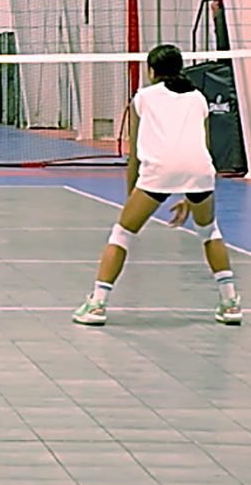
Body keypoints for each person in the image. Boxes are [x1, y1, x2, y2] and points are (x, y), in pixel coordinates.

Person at [74, 44, 240, 327]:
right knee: (209, 232)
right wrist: (191, 194)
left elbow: (136, 155)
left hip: (159, 172)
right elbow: (204, 145)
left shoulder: (143, 98)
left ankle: (97, 305)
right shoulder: (198, 97)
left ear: (152, 71)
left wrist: (132, 198)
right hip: (199, 171)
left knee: (122, 234)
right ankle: (230, 302)